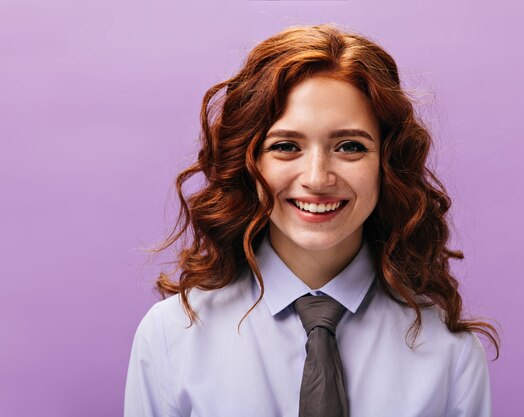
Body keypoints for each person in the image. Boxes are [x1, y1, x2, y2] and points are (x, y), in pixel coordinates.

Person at [124, 23, 500, 417]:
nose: (318, 178)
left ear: (387, 165)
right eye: (286, 146)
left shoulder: (449, 353)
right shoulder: (172, 338)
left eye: (350, 146)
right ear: (248, 163)